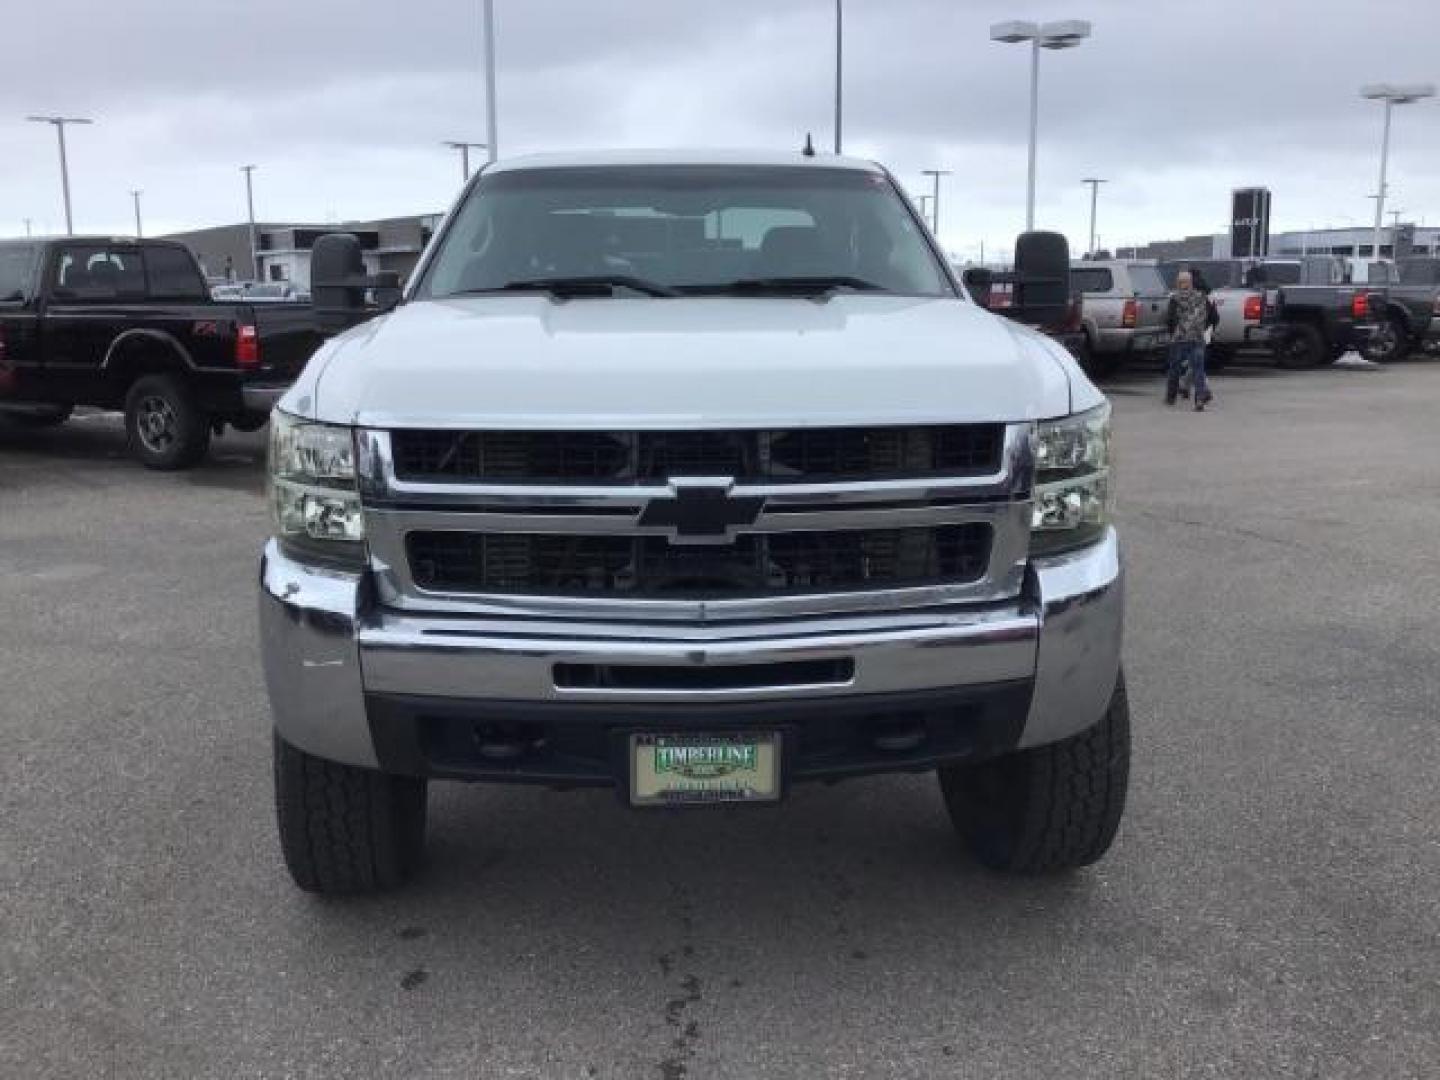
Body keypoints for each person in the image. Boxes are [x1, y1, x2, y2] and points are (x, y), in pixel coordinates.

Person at [1165, 270, 1219, 410]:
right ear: (1191, 282)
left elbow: (1169, 319)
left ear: (1178, 283)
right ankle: (1199, 399)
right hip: (1197, 338)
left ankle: (1171, 397)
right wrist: (1203, 328)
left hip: (1179, 338)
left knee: (1174, 369)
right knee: (1198, 370)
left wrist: (1173, 333)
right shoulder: (1202, 297)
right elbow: (1212, 316)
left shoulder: (1174, 299)